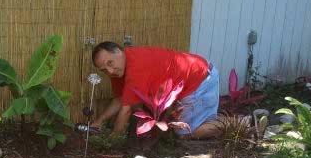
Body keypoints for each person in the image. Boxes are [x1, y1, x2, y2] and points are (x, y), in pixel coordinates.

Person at [90, 41, 222, 139]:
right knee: (178, 128)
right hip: (192, 80)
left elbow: (126, 109)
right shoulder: (119, 71)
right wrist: (98, 122)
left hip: (200, 79)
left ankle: (233, 123)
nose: (110, 71)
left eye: (110, 63)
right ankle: (217, 121)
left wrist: (114, 138)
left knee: (185, 133)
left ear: (119, 51)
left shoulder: (136, 67)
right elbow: (119, 99)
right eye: (104, 70)